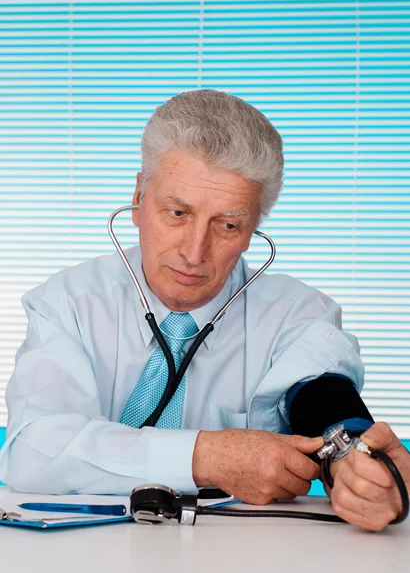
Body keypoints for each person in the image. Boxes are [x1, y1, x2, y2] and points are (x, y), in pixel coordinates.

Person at [0, 90, 407, 532]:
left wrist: (361, 467)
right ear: (138, 197)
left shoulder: (297, 315)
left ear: (253, 230)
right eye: (177, 212)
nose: (195, 252)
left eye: (228, 225)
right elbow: (33, 452)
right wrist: (207, 456)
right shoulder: (67, 304)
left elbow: (321, 397)